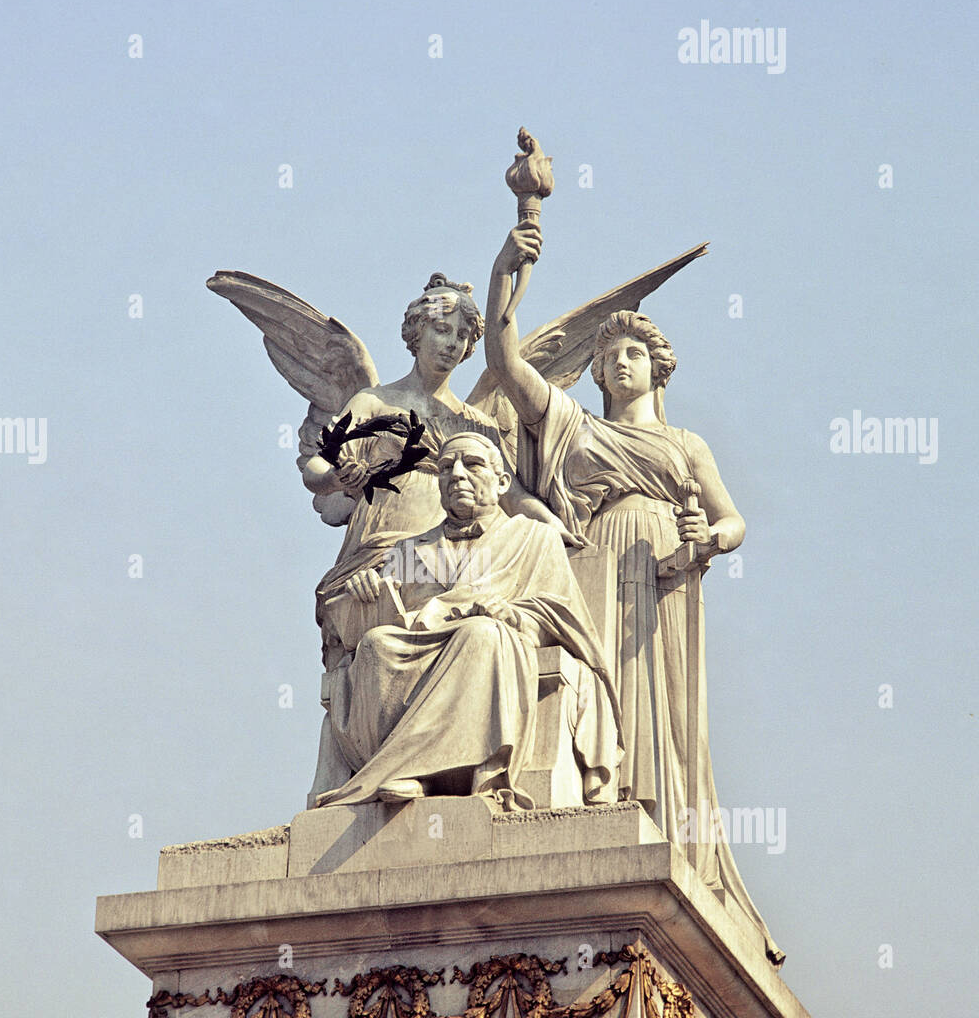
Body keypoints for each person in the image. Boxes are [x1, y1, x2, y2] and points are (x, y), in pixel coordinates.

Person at [485, 224, 783, 964]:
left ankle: (657, 817)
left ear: (658, 368)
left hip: (663, 569)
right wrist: (507, 270)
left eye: (632, 353)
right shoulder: (573, 428)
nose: (617, 362)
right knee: (594, 688)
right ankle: (594, 798)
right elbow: (505, 361)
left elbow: (734, 518)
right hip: (590, 564)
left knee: (661, 704)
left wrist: (709, 541)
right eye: (607, 354)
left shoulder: (686, 446)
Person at [304, 273, 577, 802]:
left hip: (458, 550)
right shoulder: (374, 402)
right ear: (416, 332)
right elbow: (318, 465)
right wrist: (341, 475)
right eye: (443, 331)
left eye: (463, 338)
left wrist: (558, 527)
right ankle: (372, 758)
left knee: (458, 621)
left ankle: (425, 765)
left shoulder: (474, 421)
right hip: (388, 539)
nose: (452, 345)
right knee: (374, 633)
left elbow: (512, 494)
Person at [314, 433, 621, 811]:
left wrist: (512, 614)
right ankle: (402, 767)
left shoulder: (534, 537)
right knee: (377, 643)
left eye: (472, 465)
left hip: (490, 637)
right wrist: (364, 593)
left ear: (502, 482)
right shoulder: (409, 549)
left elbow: (561, 614)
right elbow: (378, 617)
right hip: (420, 644)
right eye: (445, 468)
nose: (456, 475)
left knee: (480, 636)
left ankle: (424, 769)